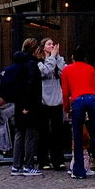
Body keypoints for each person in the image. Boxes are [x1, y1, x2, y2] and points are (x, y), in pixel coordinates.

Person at [60, 45, 95, 179]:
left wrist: (66, 109)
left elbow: (65, 93)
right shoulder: (91, 69)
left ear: (72, 58)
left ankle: (79, 170)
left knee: (78, 136)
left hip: (77, 100)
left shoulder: (67, 70)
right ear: (85, 58)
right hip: (92, 99)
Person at [0, 38, 43, 176]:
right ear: (34, 49)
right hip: (30, 103)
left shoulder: (19, 62)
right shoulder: (31, 64)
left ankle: (16, 165)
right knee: (31, 133)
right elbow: (30, 86)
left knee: (19, 133)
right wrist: (30, 104)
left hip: (19, 103)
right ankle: (29, 165)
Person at [37, 36, 67, 171]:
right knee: (43, 131)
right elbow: (45, 71)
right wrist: (52, 57)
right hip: (43, 101)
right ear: (43, 47)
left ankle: (58, 160)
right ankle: (43, 160)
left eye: (53, 44)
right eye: (49, 44)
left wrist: (58, 57)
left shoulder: (56, 59)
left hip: (56, 100)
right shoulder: (39, 61)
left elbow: (64, 71)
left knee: (57, 132)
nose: (52, 46)